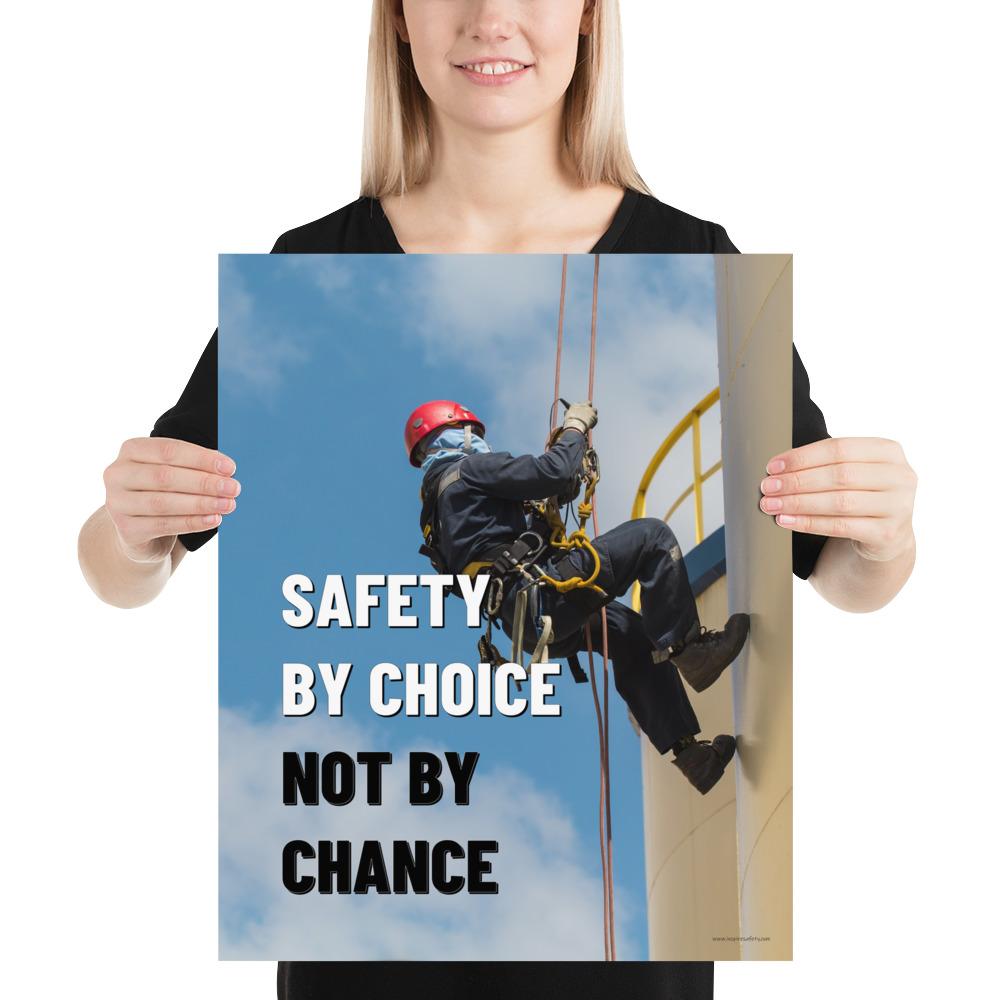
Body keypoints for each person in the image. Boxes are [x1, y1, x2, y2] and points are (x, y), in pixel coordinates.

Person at [77, 0, 918, 996]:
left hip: (607, 927)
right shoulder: (309, 275)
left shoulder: (697, 261)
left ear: (590, 17)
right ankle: (688, 667)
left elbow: (840, 571)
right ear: (396, 19)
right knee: (650, 539)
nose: (492, 17)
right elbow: (121, 568)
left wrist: (881, 533)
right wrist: (131, 532)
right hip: (374, 958)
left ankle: (688, 739)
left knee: (619, 639)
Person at [409, 398, 751, 795]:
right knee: (651, 537)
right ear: (458, 435)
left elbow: (522, 521)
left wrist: (552, 496)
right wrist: (573, 430)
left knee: (629, 636)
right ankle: (692, 651)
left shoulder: (439, 510)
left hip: (529, 622)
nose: (480, 442)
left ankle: (692, 757)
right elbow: (553, 472)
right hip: (541, 600)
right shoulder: (470, 469)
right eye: (474, 435)